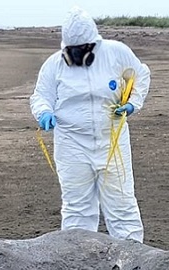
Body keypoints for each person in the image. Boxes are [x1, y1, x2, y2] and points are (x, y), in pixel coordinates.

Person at [30, 6, 151, 242]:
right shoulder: (54, 65)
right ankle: (78, 256)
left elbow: (141, 75)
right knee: (77, 205)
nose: (77, 56)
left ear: (94, 45)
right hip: (71, 142)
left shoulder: (116, 53)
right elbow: (41, 95)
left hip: (112, 140)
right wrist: (44, 112)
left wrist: (133, 103)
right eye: (72, 51)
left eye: (82, 50)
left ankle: (132, 257)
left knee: (122, 202)